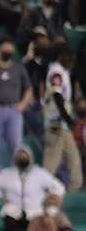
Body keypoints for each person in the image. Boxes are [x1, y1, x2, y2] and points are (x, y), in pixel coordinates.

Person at [0, 40, 33, 177]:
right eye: (5, 48)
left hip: (13, 110)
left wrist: (22, 104)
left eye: (10, 48)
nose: (8, 51)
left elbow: (28, 89)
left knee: (16, 145)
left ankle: (15, 176)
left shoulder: (18, 68)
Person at [39, 63, 82, 191]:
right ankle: (42, 189)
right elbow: (57, 97)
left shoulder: (64, 72)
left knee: (73, 157)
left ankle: (75, 187)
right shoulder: (56, 71)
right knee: (51, 160)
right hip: (55, 124)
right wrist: (69, 119)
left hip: (64, 125)